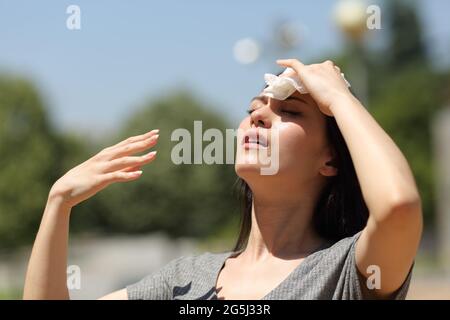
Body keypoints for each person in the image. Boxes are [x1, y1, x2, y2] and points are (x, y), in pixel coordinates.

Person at [23, 59, 422, 300]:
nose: (258, 115)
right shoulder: (184, 280)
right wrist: (59, 203)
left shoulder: (346, 272)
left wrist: (337, 96)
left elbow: (398, 206)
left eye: (292, 112)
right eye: (253, 107)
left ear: (331, 160)